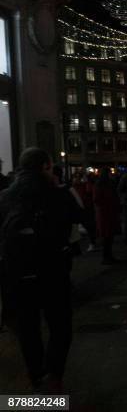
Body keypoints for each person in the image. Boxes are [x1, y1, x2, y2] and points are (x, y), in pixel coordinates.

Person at [0, 147, 82, 391]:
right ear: (46, 167)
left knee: (28, 327)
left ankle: (36, 374)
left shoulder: (3, 196)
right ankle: (54, 374)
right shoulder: (58, 194)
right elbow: (80, 216)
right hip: (53, 270)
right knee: (60, 325)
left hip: (17, 273)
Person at [94, 167, 121, 264]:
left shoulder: (109, 184)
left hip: (109, 212)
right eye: (110, 173)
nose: (112, 174)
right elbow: (97, 199)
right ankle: (106, 257)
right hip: (105, 213)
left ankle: (108, 256)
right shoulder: (100, 185)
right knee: (106, 236)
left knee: (109, 236)